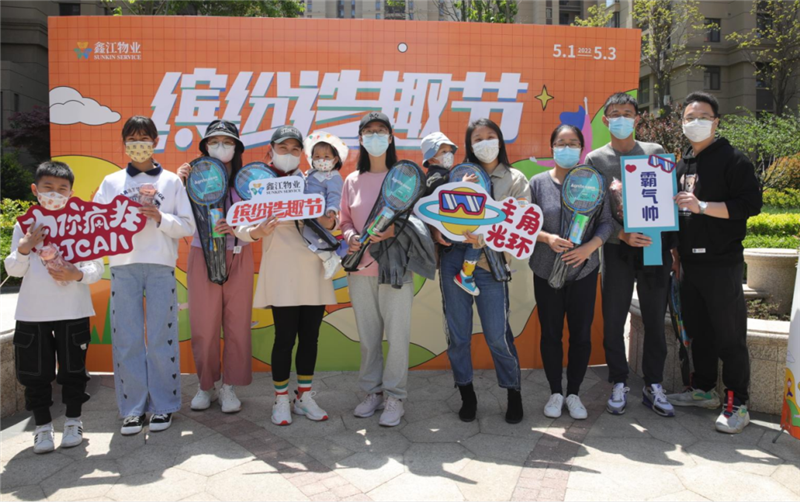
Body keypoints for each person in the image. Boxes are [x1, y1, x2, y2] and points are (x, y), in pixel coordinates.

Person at [94, 115, 195, 435]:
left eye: (144, 139)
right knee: (127, 339)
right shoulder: (111, 182)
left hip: (161, 266)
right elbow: (96, 224)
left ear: (155, 141)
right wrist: (117, 219)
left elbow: (188, 226)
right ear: (124, 143)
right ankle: (133, 409)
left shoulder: (171, 181)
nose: (138, 145)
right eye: (132, 140)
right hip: (123, 267)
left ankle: (164, 405)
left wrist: (160, 217)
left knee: (162, 338)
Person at [667, 92, 762, 434]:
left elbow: (749, 205)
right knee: (700, 332)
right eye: (690, 118)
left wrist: (703, 206)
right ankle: (704, 390)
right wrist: (676, 253)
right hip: (689, 265)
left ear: (716, 121)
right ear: (682, 123)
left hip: (721, 263)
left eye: (703, 117)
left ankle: (738, 403)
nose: (696, 123)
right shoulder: (682, 164)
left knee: (729, 335)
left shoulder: (733, 160)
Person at [585, 92, 676, 417]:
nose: (621, 118)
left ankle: (654, 384)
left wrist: (671, 245)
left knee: (654, 319)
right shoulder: (595, 159)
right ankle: (619, 381)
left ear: (637, 118)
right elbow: (592, 209)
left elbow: (667, 199)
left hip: (653, 248)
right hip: (616, 250)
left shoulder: (655, 152)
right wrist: (621, 234)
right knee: (613, 319)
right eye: (615, 113)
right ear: (605, 120)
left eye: (627, 112)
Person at [434, 118, 530, 424]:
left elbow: (520, 223)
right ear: (469, 145)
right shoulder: (457, 175)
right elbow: (440, 215)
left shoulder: (515, 179)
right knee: (458, 335)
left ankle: (513, 393)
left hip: (491, 265)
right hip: (454, 261)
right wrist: (442, 232)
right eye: (478, 139)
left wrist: (486, 232)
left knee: (497, 336)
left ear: (500, 141)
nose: (485, 143)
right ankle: (467, 394)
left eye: (490, 136)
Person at [4, 162, 104, 453]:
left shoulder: (81, 224)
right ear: (35, 190)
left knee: (74, 371)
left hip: (73, 310)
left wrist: (77, 273)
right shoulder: (26, 225)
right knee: (34, 374)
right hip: (33, 312)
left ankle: (73, 421)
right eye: (48, 187)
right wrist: (24, 248)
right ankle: (43, 427)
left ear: (71, 193)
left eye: (62, 189)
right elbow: (14, 270)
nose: (55, 194)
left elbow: (96, 267)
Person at [241, 125, 336, 426]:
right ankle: (280, 399)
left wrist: (331, 219)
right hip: (281, 271)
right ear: (270, 151)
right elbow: (242, 226)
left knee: (310, 337)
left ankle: (303, 397)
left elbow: (332, 218)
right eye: (283, 148)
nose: (289, 154)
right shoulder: (259, 184)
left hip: (313, 268)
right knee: (284, 338)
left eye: (296, 149)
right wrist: (257, 231)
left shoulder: (313, 182)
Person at [529, 125, 614, 419]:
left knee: (580, 335)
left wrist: (589, 247)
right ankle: (555, 392)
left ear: (581, 147)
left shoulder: (594, 181)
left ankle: (574, 393)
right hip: (545, 271)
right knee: (551, 334)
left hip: (583, 271)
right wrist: (547, 238)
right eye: (561, 143)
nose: (567, 148)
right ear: (551, 147)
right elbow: (525, 224)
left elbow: (606, 223)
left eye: (573, 143)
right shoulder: (538, 183)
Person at [340, 112, 413, 427]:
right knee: (369, 337)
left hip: (396, 269)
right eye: (368, 131)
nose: (374, 136)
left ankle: (395, 396)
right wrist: (350, 237)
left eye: (380, 131)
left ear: (391, 137)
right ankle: (373, 392)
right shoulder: (352, 181)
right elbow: (344, 220)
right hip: (361, 271)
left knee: (397, 337)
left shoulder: (404, 178)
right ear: (360, 139)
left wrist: (394, 231)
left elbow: (418, 222)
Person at [176, 120, 255, 414]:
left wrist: (238, 226)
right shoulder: (193, 178)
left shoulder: (247, 181)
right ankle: (206, 384)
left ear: (237, 147)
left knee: (237, 323)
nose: (221, 147)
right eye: (214, 141)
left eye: (227, 141)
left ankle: (229, 386)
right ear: (205, 147)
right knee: (204, 324)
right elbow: (175, 213)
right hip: (203, 253)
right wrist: (178, 183)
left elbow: (259, 218)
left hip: (239, 254)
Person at [420, 132, 483, 296]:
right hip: (446, 232)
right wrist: (462, 186)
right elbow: (441, 197)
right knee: (476, 236)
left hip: (446, 230)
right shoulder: (435, 177)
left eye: (450, 151)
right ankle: (466, 274)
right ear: (431, 159)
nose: (449, 155)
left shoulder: (445, 175)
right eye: (443, 152)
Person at [302, 131, 349, 279]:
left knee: (310, 234)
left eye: (326, 157)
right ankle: (331, 254)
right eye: (317, 157)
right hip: (308, 211)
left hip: (320, 212)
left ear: (335, 159)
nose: (321, 160)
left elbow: (335, 194)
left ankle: (330, 257)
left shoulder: (333, 176)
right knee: (308, 235)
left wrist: (332, 210)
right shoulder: (308, 173)